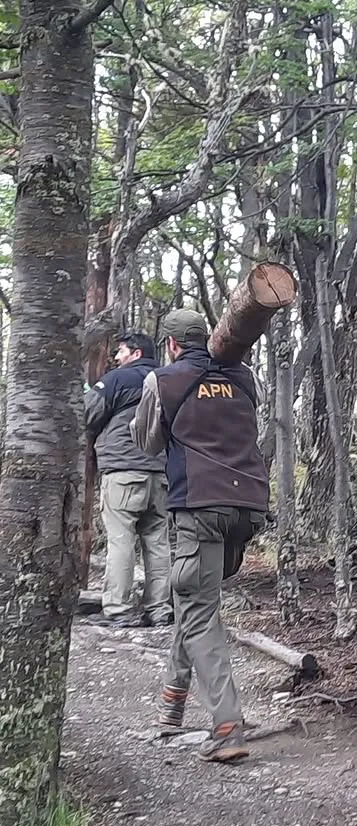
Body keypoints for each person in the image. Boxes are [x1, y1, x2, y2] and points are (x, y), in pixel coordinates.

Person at [131, 309, 270, 763]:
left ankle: (227, 728)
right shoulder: (245, 377)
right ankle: (173, 702)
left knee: (197, 609)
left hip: (200, 505)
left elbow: (147, 442)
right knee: (195, 599)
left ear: (171, 345)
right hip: (249, 506)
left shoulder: (164, 380)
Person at [85, 332, 173, 628]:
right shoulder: (169, 379)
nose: (116, 357)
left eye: (121, 351)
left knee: (121, 540)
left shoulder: (117, 379)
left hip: (123, 472)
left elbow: (87, 413)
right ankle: (159, 609)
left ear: (136, 354)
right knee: (157, 542)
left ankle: (118, 609)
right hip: (160, 473)